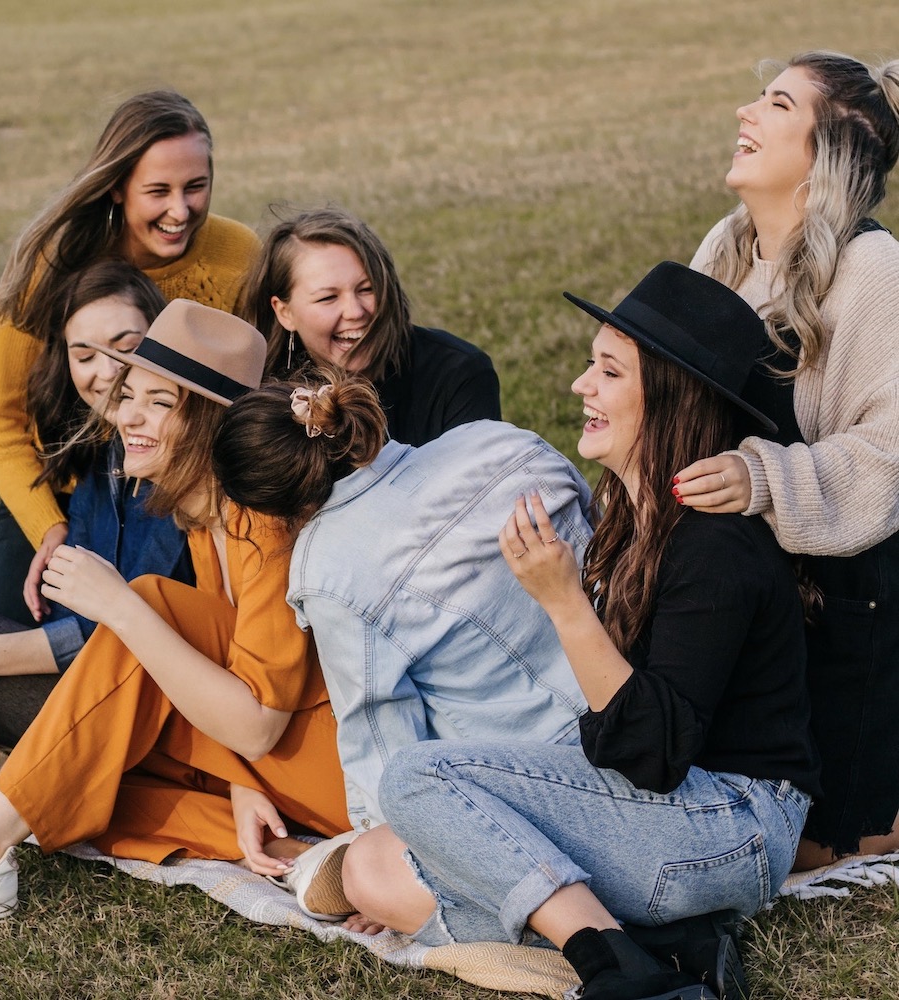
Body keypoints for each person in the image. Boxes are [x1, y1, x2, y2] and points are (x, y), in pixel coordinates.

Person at [333, 264, 820, 1000]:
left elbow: (651, 753)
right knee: (373, 866)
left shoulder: (714, 546)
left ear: (669, 396)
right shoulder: (631, 519)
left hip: (732, 825)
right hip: (665, 814)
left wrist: (564, 603)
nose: (579, 386)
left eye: (608, 370)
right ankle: (668, 943)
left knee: (416, 778)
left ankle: (614, 969)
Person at [0, 300, 348, 934]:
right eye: (129, 394)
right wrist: (243, 786)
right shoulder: (203, 518)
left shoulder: (265, 524)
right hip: (273, 768)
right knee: (83, 781)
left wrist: (119, 605)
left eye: (160, 404)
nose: (128, 416)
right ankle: (299, 859)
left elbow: (256, 726)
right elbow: (228, 676)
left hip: (338, 765)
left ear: (213, 426)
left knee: (149, 605)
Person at [671, 51, 899, 867]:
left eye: (773, 103)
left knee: (820, 843)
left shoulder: (873, 269)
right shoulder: (725, 247)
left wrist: (761, 477)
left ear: (833, 146)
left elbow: (886, 454)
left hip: (841, 597)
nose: (745, 113)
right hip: (727, 568)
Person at [212, 369, 594, 844]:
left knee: (355, 877)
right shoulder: (495, 439)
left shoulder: (328, 570)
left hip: (544, 783)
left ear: (272, 509)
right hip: (638, 693)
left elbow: (383, 742)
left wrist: (380, 851)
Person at [0, 90, 259, 626]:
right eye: (158, 191)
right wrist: (47, 527)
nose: (181, 210)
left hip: (177, 489)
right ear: (116, 188)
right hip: (61, 489)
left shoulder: (238, 254)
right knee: (5, 650)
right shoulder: (52, 265)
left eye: (196, 187)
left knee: (145, 639)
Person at [0, 261, 193, 747]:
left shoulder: (177, 467)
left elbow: (120, 630)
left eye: (127, 348)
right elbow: (70, 612)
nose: (107, 372)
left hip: (153, 719)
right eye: (85, 356)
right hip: (92, 688)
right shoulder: (104, 453)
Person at [242, 207, 501, 445]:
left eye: (367, 289)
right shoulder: (256, 394)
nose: (355, 312)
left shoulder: (457, 374)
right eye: (328, 298)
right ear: (284, 312)